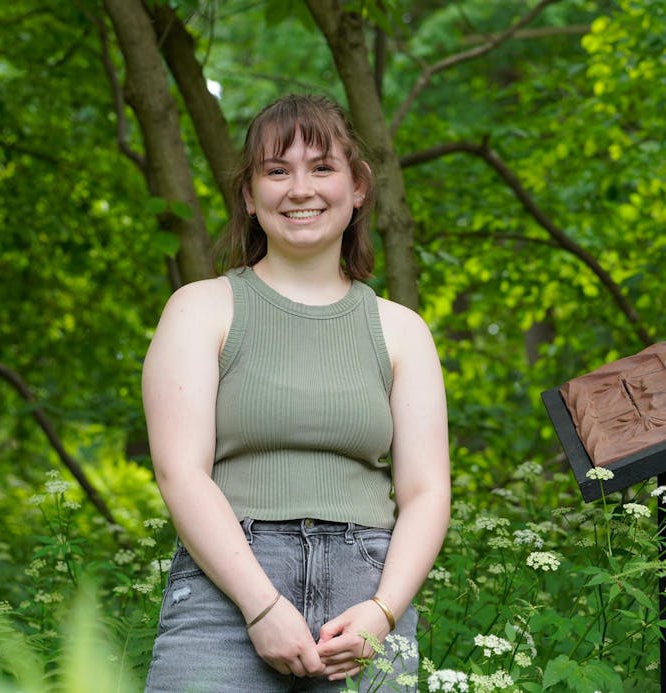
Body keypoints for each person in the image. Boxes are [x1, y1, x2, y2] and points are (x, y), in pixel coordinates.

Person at [142, 93, 451, 692]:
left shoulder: (401, 330)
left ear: (357, 187)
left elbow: (427, 491)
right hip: (226, 592)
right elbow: (180, 472)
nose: (300, 188)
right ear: (249, 197)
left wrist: (383, 613)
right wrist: (261, 606)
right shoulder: (201, 309)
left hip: (367, 602)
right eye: (276, 171)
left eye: (322, 168)